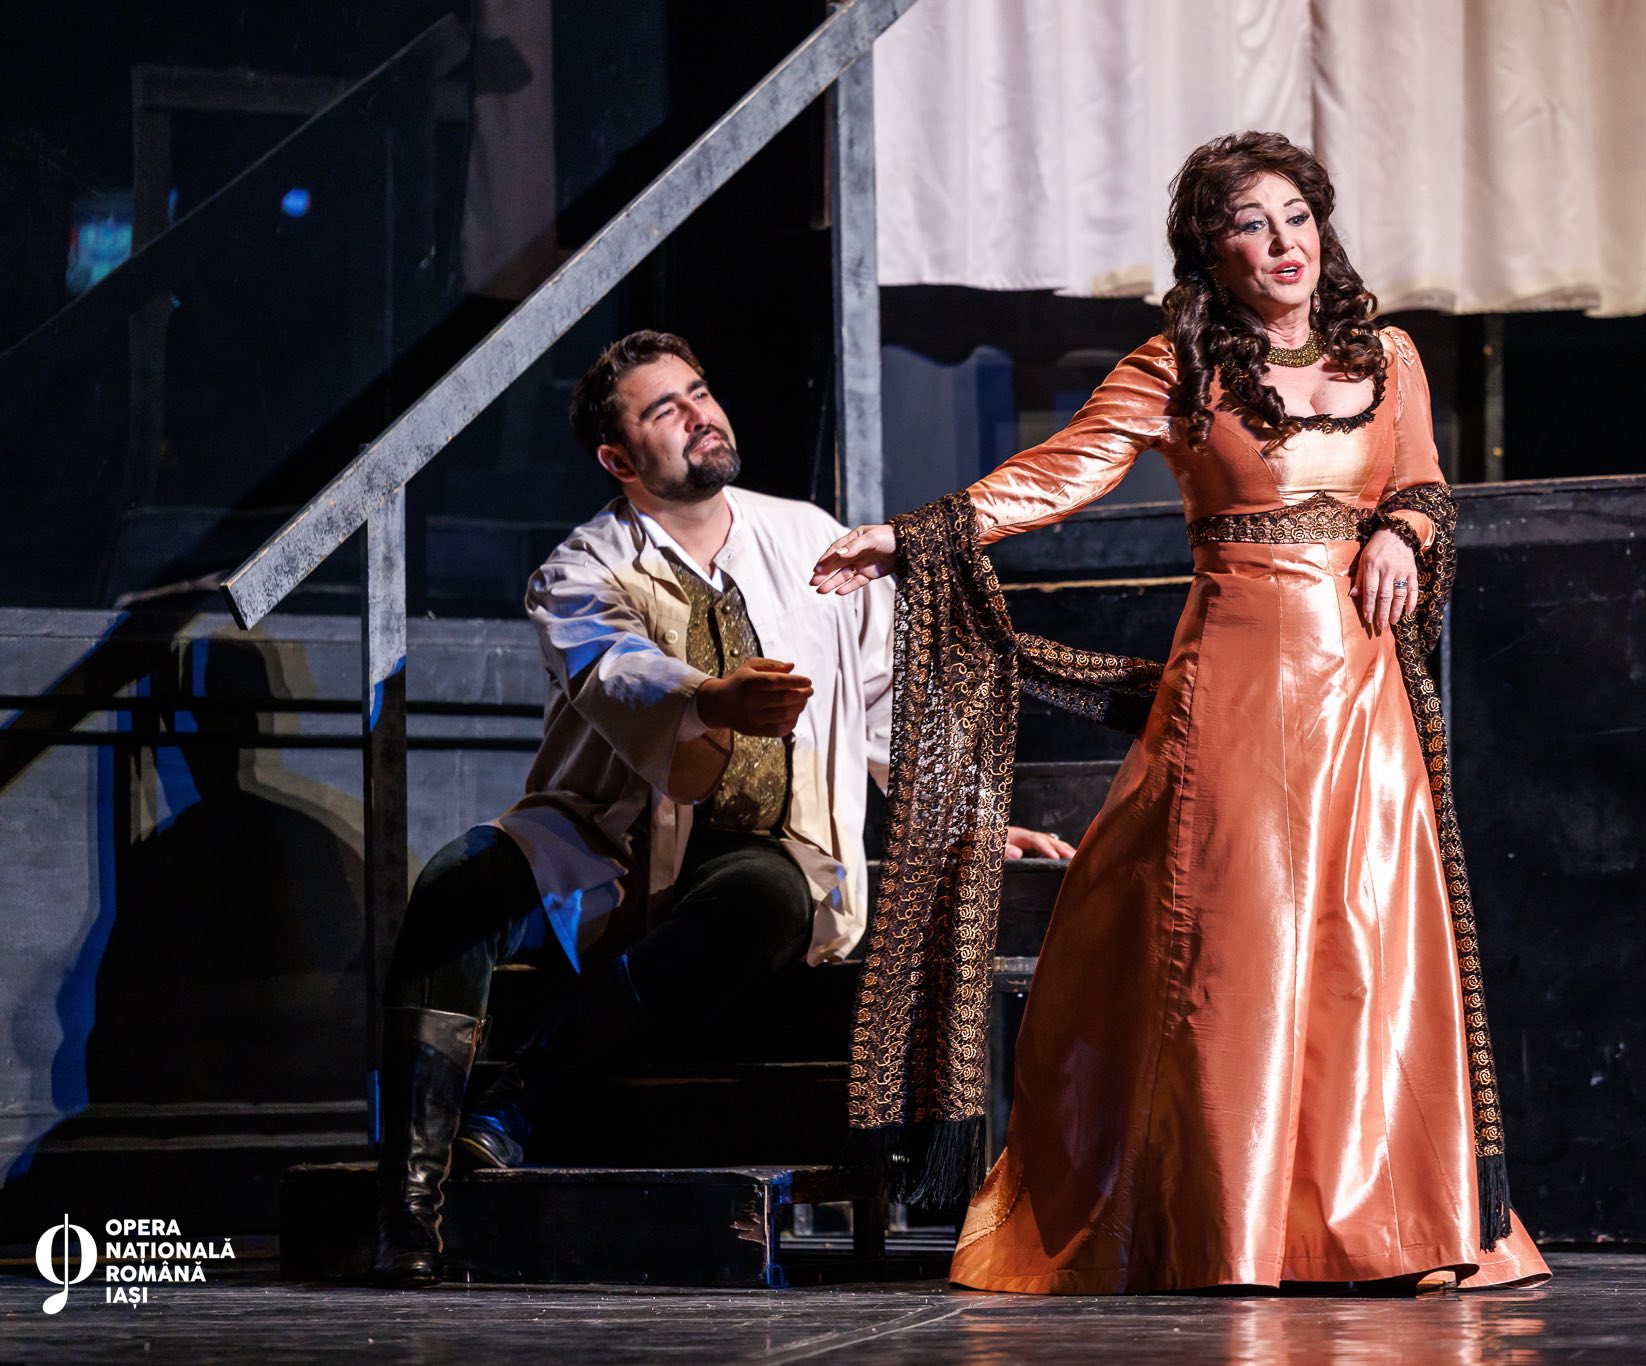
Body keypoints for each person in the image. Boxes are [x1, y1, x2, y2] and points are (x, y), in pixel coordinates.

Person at [812, 132, 1551, 1293]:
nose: (1283, 242)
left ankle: (1399, 1224)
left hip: (1362, 687)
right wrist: (911, 538)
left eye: (1297, 216)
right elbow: (1059, 470)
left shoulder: (1388, 355)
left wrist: (1403, 533)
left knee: (1368, 941)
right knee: (1241, 943)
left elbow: (1417, 481)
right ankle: (1231, 1224)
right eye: (1251, 224)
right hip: (1238, 684)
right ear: (1210, 250)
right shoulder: (1177, 365)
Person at [373, 330, 1072, 1287]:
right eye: (665, 410)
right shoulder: (582, 569)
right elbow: (615, 672)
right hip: (611, 840)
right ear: (618, 460)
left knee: (767, 902)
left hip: (767, 844)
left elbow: (884, 703)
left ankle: (526, 1090)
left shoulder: (806, 536)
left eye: (700, 392)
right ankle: (408, 1209)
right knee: (458, 881)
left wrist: (968, 823)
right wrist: (710, 700)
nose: (700, 415)